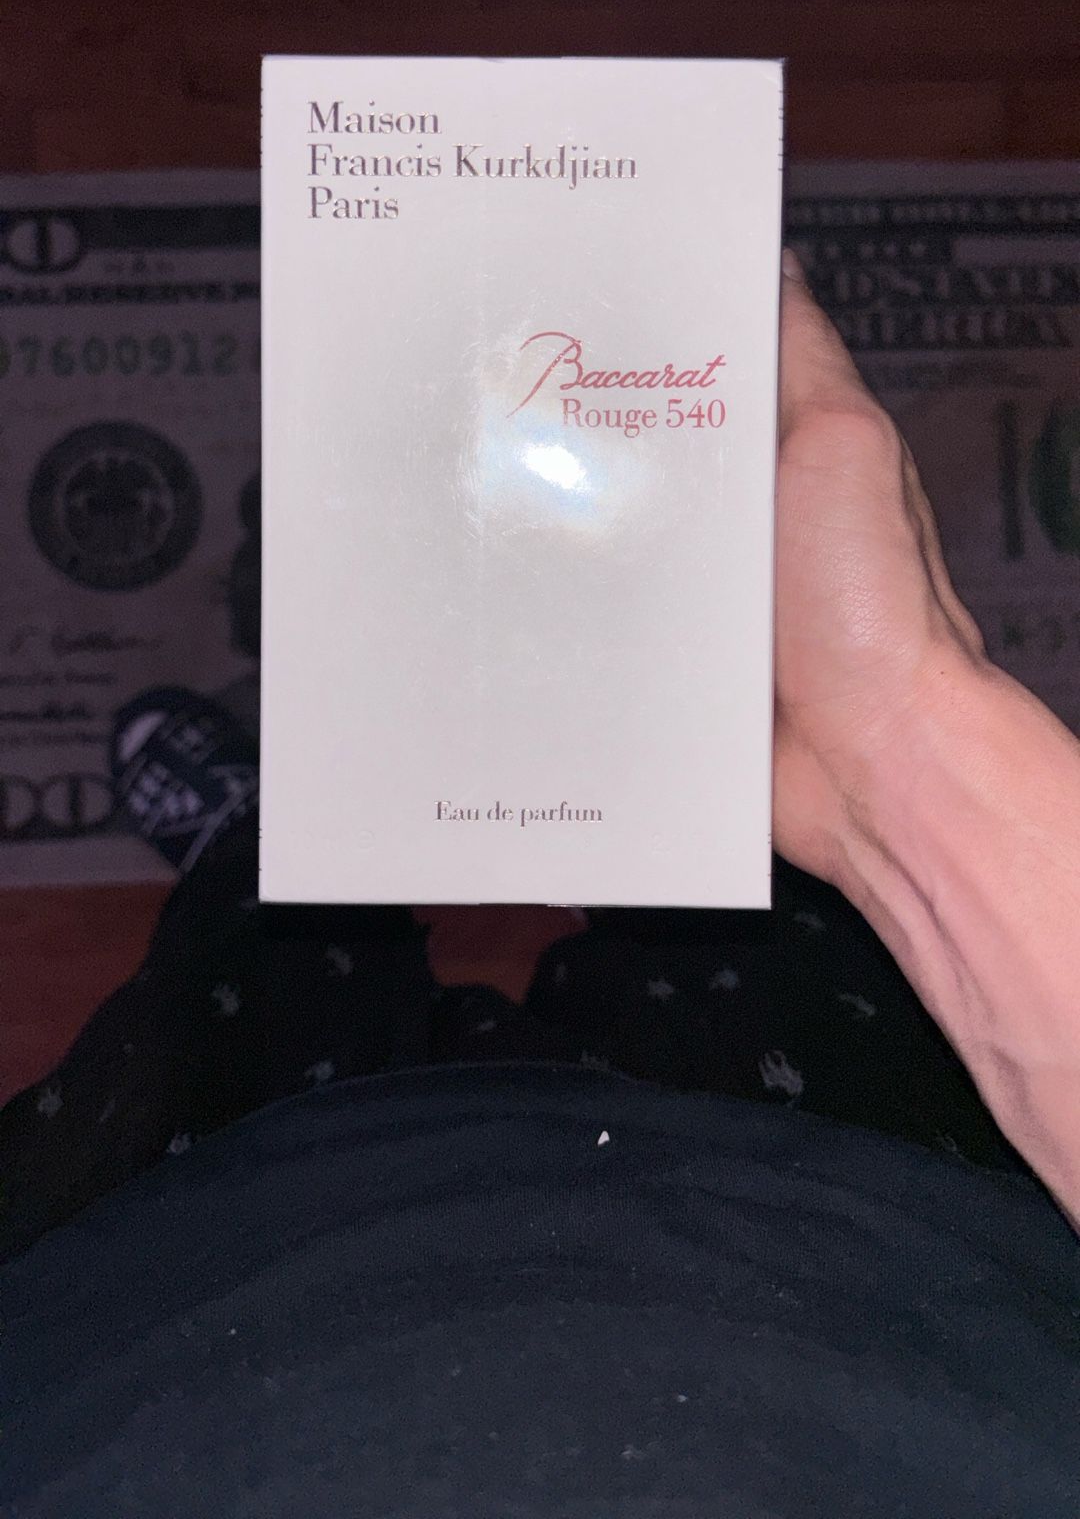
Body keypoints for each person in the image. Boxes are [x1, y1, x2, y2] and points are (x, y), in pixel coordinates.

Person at [2, 253, 1077, 1517]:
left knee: (255, 963)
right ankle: (518, 792)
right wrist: (901, 745)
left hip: (186, 1255)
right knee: (748, 911)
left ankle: (276, 822)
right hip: (864, 1214)